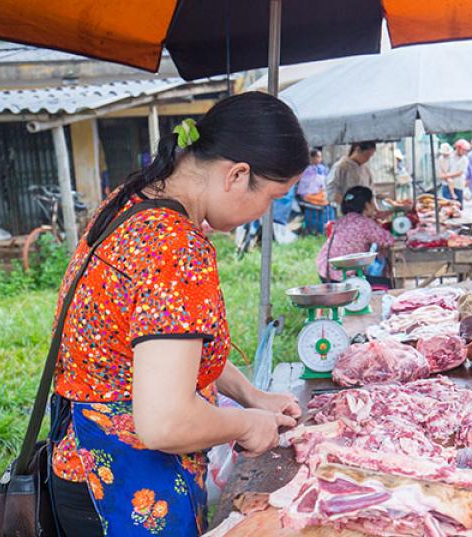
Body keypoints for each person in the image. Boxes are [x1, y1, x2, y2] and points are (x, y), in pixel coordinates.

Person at [47, 92, 308, 536]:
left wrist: (251, 396)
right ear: (237, 175)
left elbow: (167, 345)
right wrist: (245, 424)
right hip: (127, 493)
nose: (265, 214)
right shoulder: (175, 246)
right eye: (272, 197)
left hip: (82, 469)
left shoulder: (131, 203)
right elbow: (166, 422)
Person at [317, 186, 394, 288]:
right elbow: (388, 240)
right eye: (372, 202)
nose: (375, 207)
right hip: (341, 277)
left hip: (325, 271)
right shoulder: (364, 223)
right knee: (387, 284)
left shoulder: (344, 219)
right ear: (367, 205)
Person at [326, 141, 377, 206]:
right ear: (357, 150)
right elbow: (331, 191)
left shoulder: (365, 169)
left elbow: (371, 192)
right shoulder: (341, 167)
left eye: (370, 156)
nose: (367, 159)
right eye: (366, 155)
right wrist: (349, 206)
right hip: (347, 212)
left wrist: (375, 208)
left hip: (364, 212)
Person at [438, 140, 469, 206]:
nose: (465, 152)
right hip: (446, 185)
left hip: (458, 185)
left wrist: (447, 175)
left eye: (466, 150)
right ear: (458, 148)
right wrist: (445, 176)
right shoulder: (448, 156)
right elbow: (442, 169)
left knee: (458, 207)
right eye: (463, 150)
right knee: (446, 206)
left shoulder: (464, 159)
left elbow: (460, 172)